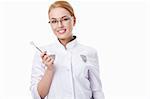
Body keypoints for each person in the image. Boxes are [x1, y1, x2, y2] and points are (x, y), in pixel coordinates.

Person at [30, 1, 105, 99]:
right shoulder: (43, 54)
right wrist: (49, 69)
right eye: (54, 21)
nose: (60, 25)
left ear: (73, 20)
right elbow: (38, 95)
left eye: (64, 19)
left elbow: (97, 91)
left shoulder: (89, 52)